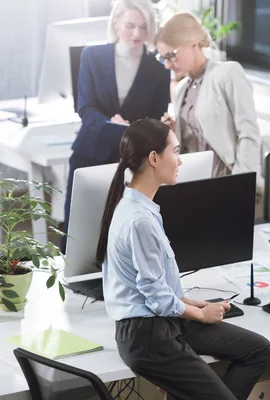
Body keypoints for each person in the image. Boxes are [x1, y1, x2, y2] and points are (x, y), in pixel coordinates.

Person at [96, 119, 270, 400]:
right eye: (175, 152)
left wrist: (192, 302)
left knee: (258, 349)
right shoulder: (139, 219)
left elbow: (156, 287)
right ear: (154, 158)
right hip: (147, 336)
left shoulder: (143, 209)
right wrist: (201, 314)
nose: (180, 161)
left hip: (164, 321)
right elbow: (156, 297)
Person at [62, 0, 170, 252]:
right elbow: (85, 109)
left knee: (123, 229)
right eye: (130, 25)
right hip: (90, 152)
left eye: (144, 27)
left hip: (133, 159)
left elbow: (154, 119)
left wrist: (132, 131)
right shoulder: (92, 55)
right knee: (78, 225)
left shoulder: (158, 67)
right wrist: (111, 125)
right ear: (116, 23)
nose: (137, 34)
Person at [154, 12, 262, 180]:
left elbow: (249, 134)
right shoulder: (182, 88)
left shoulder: (228, 73)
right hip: (192, 181)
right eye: (162, 58)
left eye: (171, 55)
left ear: (193, 43)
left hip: (224, 180)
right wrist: (176, 131)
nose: (167, 65)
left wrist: (241, 182)